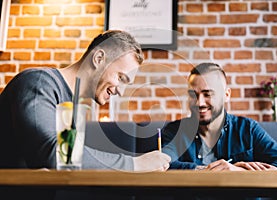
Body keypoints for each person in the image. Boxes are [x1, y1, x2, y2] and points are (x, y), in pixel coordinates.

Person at [0, 30, 171, 172]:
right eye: (120, 78)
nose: (121, 90)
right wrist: (137, 164)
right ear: (98, 59)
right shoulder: (38, 82)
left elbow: (67, 168)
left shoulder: (73, 106)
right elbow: (58, 157)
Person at [161, 62, 277, 170]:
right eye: (193, 95)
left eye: (208, 94)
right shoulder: (175, 130)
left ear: (226, 95)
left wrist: (240, 171)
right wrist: (206, 171)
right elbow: (162, 164)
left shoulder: (247, 129)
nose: (199, 103)